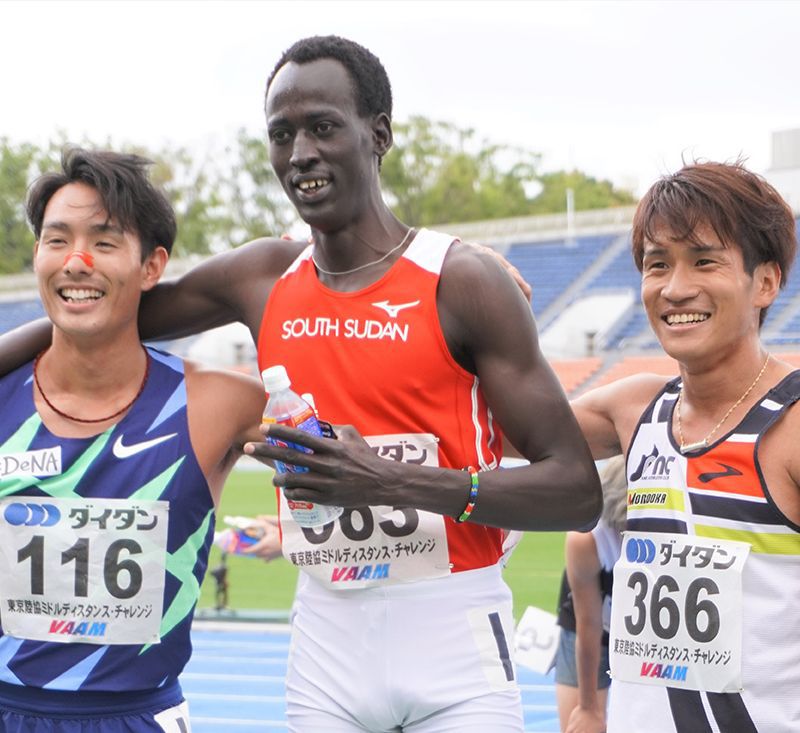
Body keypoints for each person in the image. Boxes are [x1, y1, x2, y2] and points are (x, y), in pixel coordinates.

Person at [0, 36, 602, 731]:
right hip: (327, 631)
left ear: (378, 134)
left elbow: (577, 490)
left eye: (322, 126)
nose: (300, 153)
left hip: (452, 624)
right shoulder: (260, 277)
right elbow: (100, 308)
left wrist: (390, 481)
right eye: (281, 134)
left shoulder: (463, 281)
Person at [0, 148, 264, 731]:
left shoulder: (222, 404)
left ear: (151, 266)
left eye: (105, 241)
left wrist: (449, 275)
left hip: (136, 716)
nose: (77, 261)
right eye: (56, 240)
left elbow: (354, 421)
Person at [570, 160, 800, 732]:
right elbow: (490, 428)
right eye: (657, 265)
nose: (675, 288)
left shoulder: (792, 425)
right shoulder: (635, 408)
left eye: (704, 260)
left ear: (765, 282)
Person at [554, 456, 626, 733]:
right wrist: (587, 707)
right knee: (581, 725)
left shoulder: (670, 530)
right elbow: (589, 625)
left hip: (643, 633)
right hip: (589, 624)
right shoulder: (586, 538)